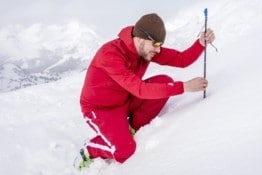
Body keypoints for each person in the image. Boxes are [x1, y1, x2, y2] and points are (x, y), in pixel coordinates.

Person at [74, 13, 215, 170]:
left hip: (126, 99)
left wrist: (201, 43)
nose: (159, 49)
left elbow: (181, 60)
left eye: (160, 44)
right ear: (141, 39)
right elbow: (140, 89)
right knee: (125, 152)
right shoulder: (110, 55)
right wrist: (184, 87)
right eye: (155, 44)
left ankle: (131, 127)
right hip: (101, 110)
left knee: (164, 82)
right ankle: (90, 148)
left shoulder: (145, 50)